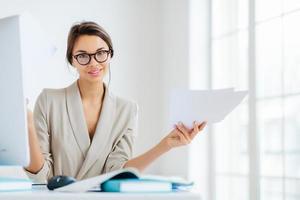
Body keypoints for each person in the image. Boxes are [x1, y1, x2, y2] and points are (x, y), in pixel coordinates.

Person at [24, 21, 207, 183]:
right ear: (72, 60)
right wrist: (29, 126)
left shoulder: (127, 109)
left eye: (101, 53)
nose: (93, 63)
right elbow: (41, 175)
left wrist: (165, 145)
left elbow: (118, 172)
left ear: (110, 55)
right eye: (83, 55)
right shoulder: (49, 101)